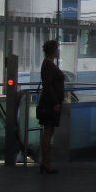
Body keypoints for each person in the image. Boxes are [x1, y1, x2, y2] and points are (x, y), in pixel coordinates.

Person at [37, 40, 64, 175]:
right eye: (57, 49)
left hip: (50, 103)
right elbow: (48, 86)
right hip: (49, 105)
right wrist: (55, 103)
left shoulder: (48, 64)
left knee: (49, 131)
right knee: (48, 132)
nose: (58, 51)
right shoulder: (48, 65)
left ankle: (45, 162)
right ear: (53, 50)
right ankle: (46, 163)